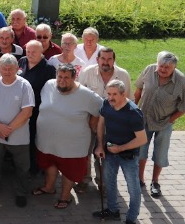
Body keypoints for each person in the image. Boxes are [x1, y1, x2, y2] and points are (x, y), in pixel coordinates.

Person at [33, 63, 102, 209]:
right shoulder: (49, 85)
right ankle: (49, 187)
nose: (62, 80)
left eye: (66, 77)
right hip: (47, 140)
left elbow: (100, 109)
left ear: (74, 78)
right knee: (49, 163)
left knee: (69, 170)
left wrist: (92, 123)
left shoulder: (86, 95)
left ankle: (65, 197)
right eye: (59, 77)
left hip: (73, 144)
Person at [93, 79, 147, 224]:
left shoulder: (133, 113)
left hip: (128, 156)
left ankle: (131, 220)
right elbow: (101, 124)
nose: (110, 97)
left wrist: (121, 148)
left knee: (133, 188)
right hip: (110, 152)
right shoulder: (106, 104)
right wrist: (100, 145)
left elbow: (142, 139)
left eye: (114, 94)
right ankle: (112, 210)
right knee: (109, 182)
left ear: (124, 94)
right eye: (108, 94)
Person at [0, 54, 34, 207]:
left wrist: (7, 129)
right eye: (4, 68)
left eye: (10, 69)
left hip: (19, 136)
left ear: (17, 69)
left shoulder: (25, 85)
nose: (7, 71)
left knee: (22, 166)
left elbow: (27, 112)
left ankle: (21, 192)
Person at [78, 47, 131, 188]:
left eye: (109, 59)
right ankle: (83, 180)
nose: (106, 62)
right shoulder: (87, 72)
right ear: (97, 59)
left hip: (111, 124)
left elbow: (128, 100)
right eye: (103, 59)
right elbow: (78, 95)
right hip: (87, 121)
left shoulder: (123, 75)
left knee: (105, 154)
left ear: (114, 60)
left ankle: (104, 183)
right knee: (84, 152)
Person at [134, 51, 185, 199]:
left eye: (167, 68)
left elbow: (184, 105)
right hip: (143, 119)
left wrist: (170, 120)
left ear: (174, 68)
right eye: (161, 66)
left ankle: (155, 182)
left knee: (160, 153)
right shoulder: (149, 69)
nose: (162, 70)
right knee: (141, 151)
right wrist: (132, 111)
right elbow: (138, 90)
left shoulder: (181, 81)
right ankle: (139, 179)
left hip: (164, 122)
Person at [19, 40, 56, 174]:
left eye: (34, 52)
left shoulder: (48, 69)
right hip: (21, 109)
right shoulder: (22, 61)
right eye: (28, 51)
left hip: (37, 111)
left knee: (34, 139)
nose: (30, 54)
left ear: (42, 52)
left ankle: (34, 167)